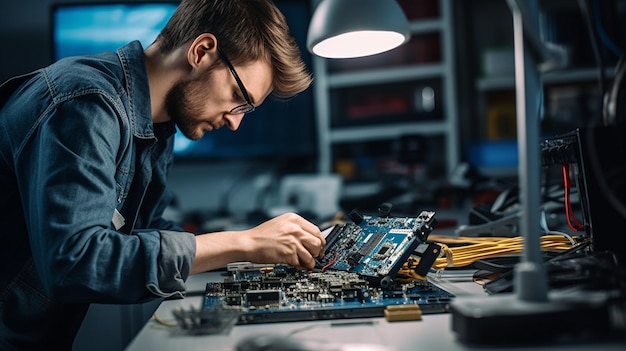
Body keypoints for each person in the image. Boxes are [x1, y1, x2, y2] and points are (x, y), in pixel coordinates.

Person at [0, 0, 325, 349]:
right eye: (238, 97)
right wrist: (242, 242)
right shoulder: (85, 103)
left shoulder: (157, 124)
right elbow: (76, 262)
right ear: (201, 51)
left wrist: (257, 250)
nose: (234, 122)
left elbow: (144, 229)